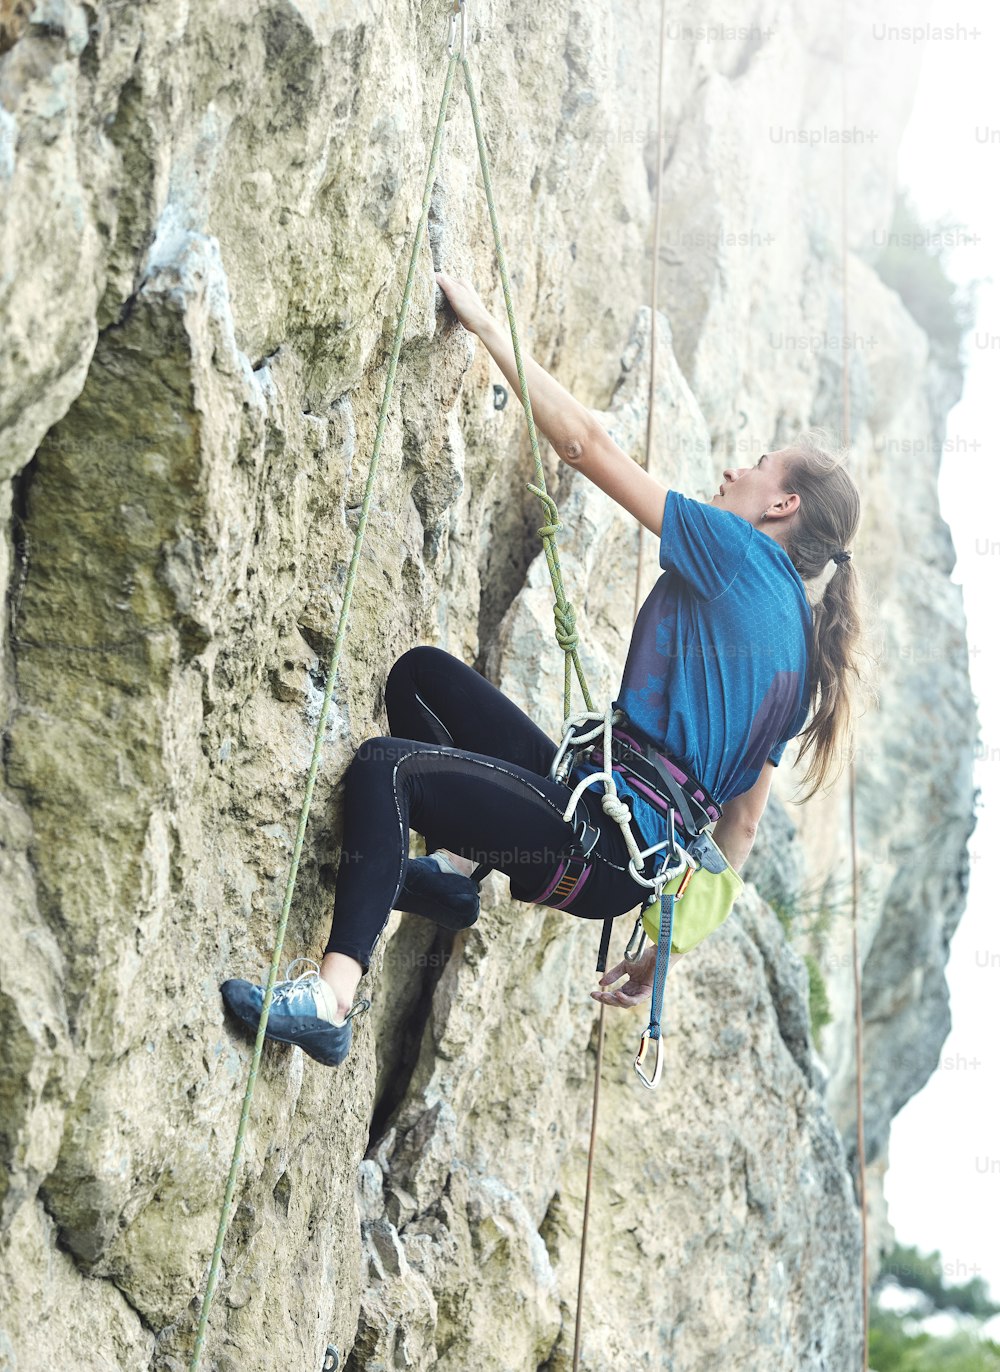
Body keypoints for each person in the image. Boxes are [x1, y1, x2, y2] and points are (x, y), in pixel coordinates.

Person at [221, 270, 864, 1067]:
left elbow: (585, 447)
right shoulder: (799, 670)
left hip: (595, 834)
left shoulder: (737, 553)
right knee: (421, 678)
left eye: (758, 466)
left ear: (782, 506)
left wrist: (489, 327)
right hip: (617, 852)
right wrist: (663, 953)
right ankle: (453, 875)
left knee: (387, 771)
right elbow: (742, 826)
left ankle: (330, 999)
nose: (735, 472)